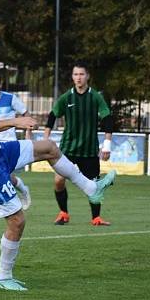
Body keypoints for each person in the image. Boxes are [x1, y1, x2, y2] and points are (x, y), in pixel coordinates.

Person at [0, 0, 115, 292]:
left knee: (50, 147)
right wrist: (16, 119)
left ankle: (92, 189)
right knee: (17, 221)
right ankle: (3, 277)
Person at [44, 64, 114, 226]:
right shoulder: (66, 97)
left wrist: (107, 145)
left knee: (94, 184)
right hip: (68, 149)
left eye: (81, 74)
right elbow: (52, 116)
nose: (78, 77)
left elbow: (108, 119)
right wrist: (46, 138)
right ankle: (63, 213)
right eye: (75, 74)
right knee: (58, 181)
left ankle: (96, 217)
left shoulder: (95, 97)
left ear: (87, 76)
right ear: (72, 77)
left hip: (89, 150)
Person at [0, 71, 31, 208]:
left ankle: (15, 200)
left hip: (9, 144)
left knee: (3, 177)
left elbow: (25, 113)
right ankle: (22, 190)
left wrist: (28, 131)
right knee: (1, 177)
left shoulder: (10, 99)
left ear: (0, 84)